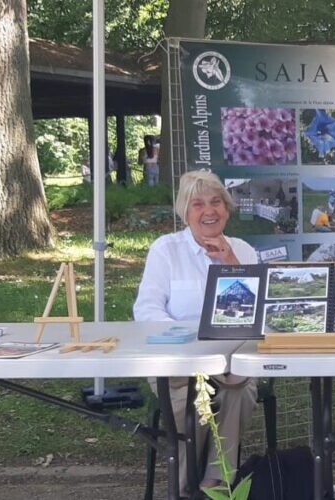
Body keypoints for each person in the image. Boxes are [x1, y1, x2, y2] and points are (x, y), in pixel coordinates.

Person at [133, 169, 260, 491]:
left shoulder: (243, 250)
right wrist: (184, 339)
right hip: (177, 357)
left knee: (240, 390)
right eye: (197, 204)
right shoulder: (166, 249)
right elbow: (146, 309)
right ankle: (185, 486)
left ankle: (216, 481)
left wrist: (230, 262)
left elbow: (257, 312)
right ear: (185, 213)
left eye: (216, 202)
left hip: (230, 358)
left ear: (227, 208)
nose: (209, 211)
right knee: (189, 403)